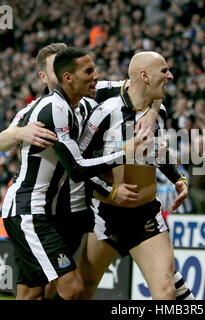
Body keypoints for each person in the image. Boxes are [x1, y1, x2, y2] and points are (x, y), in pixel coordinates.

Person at [0, 43, 193, 300]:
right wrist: (18, 132)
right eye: (87, 71)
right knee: (62, 289)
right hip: (46, 208)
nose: (95, 77)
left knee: (46, 290)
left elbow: (144, 81)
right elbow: (76, 166)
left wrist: (153, 113)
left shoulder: (90, 100)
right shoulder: (49, 109)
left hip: (75, 209)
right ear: (51, 76)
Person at [78, 51, 189, 299]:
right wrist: (111, 191)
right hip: (105, 216)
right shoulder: (105, 110)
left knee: (166, 292)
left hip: (145, 216)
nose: (170, 76)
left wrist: (178, 178)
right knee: (82, 290)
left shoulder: (158, 113)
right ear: (144, 76)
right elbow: (80, 166)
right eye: (164, 71)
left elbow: (157, 153)